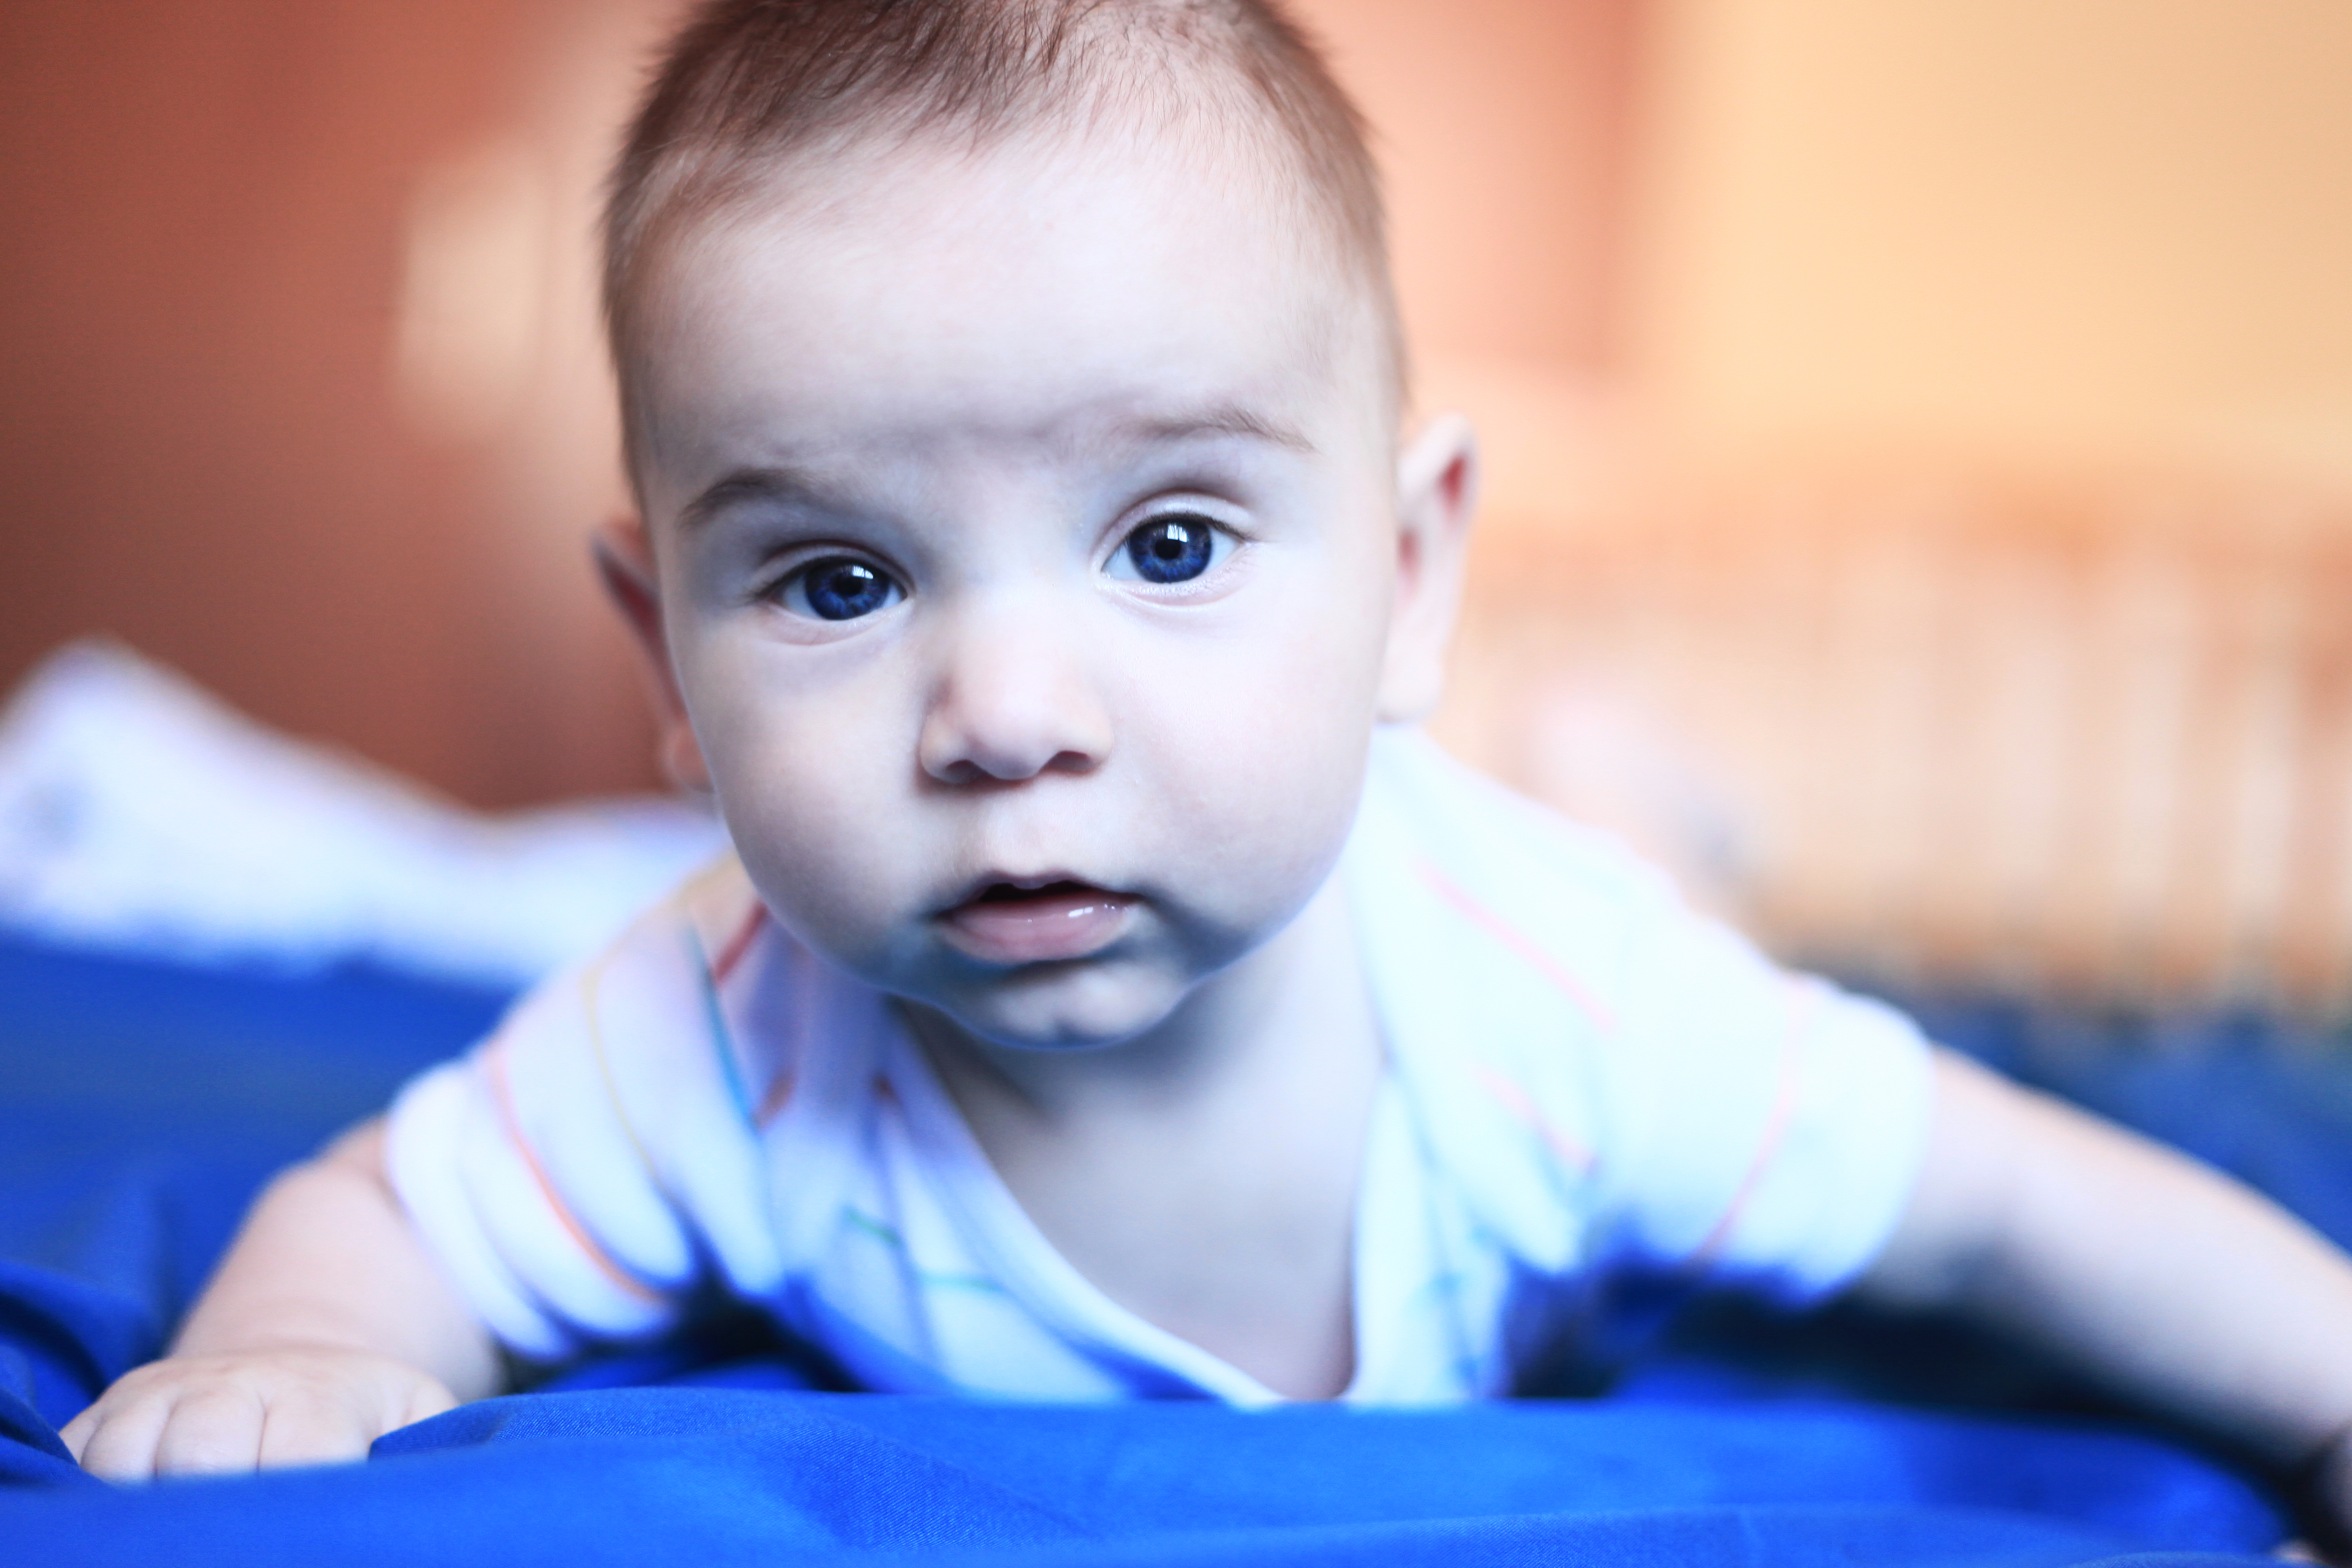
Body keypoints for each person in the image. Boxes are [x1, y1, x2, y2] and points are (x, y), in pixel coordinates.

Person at [60, 0, 2352, 1536]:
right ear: (663, 659)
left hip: (1556, 924)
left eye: (1167, 542)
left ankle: (1628, 792)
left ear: (1409, 574)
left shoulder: (1562, 1015)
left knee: (1648, 904)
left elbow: (2003, 1198)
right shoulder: (717, 1030)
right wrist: (299, 1347)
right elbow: (392, 1212)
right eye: (842, 584)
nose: (1008, 716)